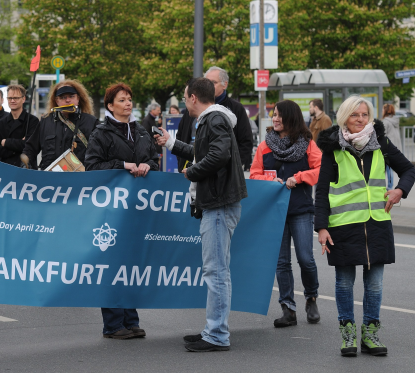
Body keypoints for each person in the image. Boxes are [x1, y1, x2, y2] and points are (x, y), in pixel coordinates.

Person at [315, 95, 415, 357]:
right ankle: (348, 333)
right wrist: (321, 227)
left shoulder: (380, 143)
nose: (360, 119)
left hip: (377, 225)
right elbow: (322, 190)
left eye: (364, 115)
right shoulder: (332, 148)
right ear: (344, 117)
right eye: (354, 115)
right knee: (345, 283)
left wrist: (399, 192)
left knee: (375, 285)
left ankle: (370, 333)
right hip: (343, 226)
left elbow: (409, 170)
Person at [156, 78, 247, 352]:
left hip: (218, 203)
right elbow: (202, 153)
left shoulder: (213, 119)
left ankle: (217, 334)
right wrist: (172, 144)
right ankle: (213, 329)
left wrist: (192, 173)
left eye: (185, 98)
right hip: (218, 202)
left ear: (194, 97)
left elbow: (217, 156)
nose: (185, 103)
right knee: (216, 270)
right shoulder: (215, 119)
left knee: (216, 271)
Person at [85, 83, 158, 339]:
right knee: (112, 265)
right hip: (111, 211)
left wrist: (148, 165)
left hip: (137, 210)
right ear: (110, 106)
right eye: (122, 100)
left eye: (129, 99)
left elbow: (154, 159)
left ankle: (131, 319)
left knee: (131, 265)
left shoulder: (141, 132)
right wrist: (124, 165)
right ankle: (113, 324)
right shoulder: (101, 133)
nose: (128, 103)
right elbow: (92, 166)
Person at [250, 100, 321, 327]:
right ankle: (288, 308)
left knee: (305, 258)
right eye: (274, 114)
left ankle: (311, 297)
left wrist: (299, 177)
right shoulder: (265, 145)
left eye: (280, 115)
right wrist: (271, 179)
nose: (275, 118)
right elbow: (254, 174)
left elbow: (320, 169)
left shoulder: (307, 144)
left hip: (300, 209)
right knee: (281, 262)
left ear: (291, 117)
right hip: (275, 212)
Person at [23, 80, 99, 170]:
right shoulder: (45, 122)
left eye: (71, 96)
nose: (68, 100)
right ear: (56, 101)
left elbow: (99, 153)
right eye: (63, 97)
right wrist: (25, 167)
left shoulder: (91, 122)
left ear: (78, 99)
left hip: (80, 178)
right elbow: (30, 149)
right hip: (50, 179)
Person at [203, 67, 254, 170]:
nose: (208, 86)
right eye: (206, 82)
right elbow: (183, 135)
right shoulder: (196, 106)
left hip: (226, 173)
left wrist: (233, 166)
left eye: (213, 82)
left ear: (224, 85)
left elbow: (246, 141)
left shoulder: (236, 108)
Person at [0, 84, 39, 165]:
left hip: (26, 168)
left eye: (16, 98)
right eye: (10, 98)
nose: (12, 101)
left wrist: (6, 142)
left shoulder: (32, 121)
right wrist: (18, 146)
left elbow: (32, 147)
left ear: (23, 99)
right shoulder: (2, 123)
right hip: (7, 168)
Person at [382, 104, 401, 190]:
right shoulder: (395, 120)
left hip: (388, 148)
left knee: (388, 168)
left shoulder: (386, 122)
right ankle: (389, 186)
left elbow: (382, 135)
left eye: (383, 109)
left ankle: (389, 187)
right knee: (389, 168)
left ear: (385, 110)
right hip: (395, 147)